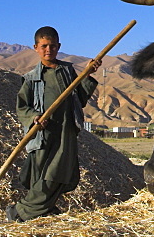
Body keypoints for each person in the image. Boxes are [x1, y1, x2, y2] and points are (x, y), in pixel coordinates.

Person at [7, 26, 100, 222]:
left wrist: (87, 75)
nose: (48, 50)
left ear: (59, 46)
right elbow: (22, 107)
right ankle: (20, 212)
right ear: (36, 47)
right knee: (41, 176)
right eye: (44, 46)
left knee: (59, 173)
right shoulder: (31, 79)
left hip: (65, 132)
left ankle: (42, 209)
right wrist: (34, 117)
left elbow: (79, 99)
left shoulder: (67, 71)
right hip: (43, 134)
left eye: (53, 46)